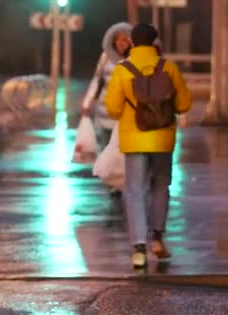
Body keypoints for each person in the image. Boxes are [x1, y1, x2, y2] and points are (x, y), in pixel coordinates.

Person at [104, 23, 192, 268]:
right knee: (161, 186)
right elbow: (184, 105)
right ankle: (157, 239)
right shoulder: (169, 68)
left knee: (134, 190)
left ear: (132, 42)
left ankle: (138, 249)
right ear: (155, 43)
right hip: (163, 137)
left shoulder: (123, 70)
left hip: (134, 138)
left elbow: (112, 108)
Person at [82, 22, 132, 149]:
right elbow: (97, 80)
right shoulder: (105, 57)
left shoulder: (134, 60)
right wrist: (87, 102)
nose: (121, 43)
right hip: (104, 111)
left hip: (124, 114)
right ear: (113, 41)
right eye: (118, 39)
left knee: (121, 153)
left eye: (125, 40)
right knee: (104, 149)